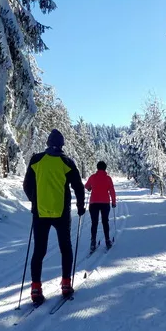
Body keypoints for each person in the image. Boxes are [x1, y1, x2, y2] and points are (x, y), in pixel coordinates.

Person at [23, 129, 86, 306]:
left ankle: (35, 289)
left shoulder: (36, 160)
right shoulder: (66, 162)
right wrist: (80, 207)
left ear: (48, 142)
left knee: (39, 251)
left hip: (40, 213)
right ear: (62, 145)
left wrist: (34, 201)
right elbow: (78, 188)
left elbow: (27, 185)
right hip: (61, 213)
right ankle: (66, 284)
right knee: (65, 248)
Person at [85, 161, 117, 252]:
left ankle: (93, 242)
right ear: (105, 168)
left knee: (94, 223)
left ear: (97, 168)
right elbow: (112, 191)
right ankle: (107, 240)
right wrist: (113, 202)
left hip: (94, 203)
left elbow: (86, 186)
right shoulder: (108, 178)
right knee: (105, 221)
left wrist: (90, 188)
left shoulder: (92, 177)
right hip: (105, 203)